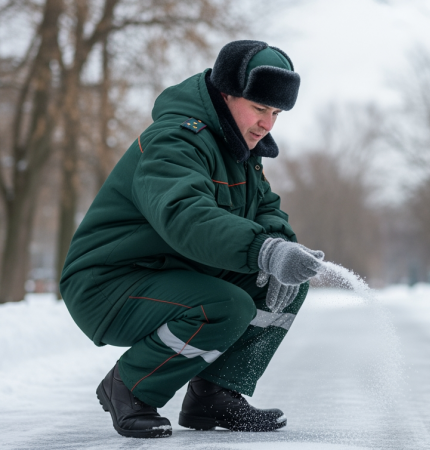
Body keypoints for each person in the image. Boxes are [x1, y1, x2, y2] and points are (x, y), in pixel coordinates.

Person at [59, 40, 326, 439]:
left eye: (275, 113)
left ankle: (215, 395)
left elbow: (267, 210)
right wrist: (264, 250)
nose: (267, 124)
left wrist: (283, 249)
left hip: (167, 273)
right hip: (107, 283)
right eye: (259, 108)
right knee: (227, 306)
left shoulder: (240, 153)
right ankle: (130, 386)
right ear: (225, 93)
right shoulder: (175, 141)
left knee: (283, 281)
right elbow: (185, 216)